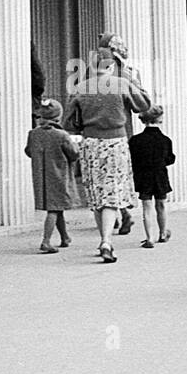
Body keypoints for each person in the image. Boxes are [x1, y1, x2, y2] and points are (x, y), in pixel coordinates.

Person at [64, 38, 150, 263]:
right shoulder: (121, 85)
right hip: (116, 142)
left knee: (96, 195)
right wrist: (129, 77)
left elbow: (69, 122)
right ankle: (106, 241)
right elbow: (145, 105)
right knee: (111, 194)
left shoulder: (81, 88)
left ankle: (104, 237)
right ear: (112, 65)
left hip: (91, 143)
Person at [98, 32, 151, 237]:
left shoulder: (93, 71)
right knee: (119, 172)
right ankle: (122, 210)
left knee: (104, 175)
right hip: (120, 126)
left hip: (98, 129)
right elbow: (142, 102)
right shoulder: (128, 72)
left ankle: (116, 213)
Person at [25, 98, 82, 254]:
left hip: (41, 176)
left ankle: (65, 237)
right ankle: (46, 241)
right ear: (58, 117)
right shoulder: (62, 135)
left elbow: (28, 151)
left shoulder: (33, 134)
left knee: (57, 208)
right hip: (59, 176)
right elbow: (74, 154)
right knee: (54, 209)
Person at [129, 104, 175, 249]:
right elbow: (170, 159)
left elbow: (132, 160)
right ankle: (162, 233)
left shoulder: (135, 140)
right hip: (160, 175)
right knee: (161, 205)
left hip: (143, 176)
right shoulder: (165, 140)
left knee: (147, 206)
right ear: (159, 119)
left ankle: (150, 237)